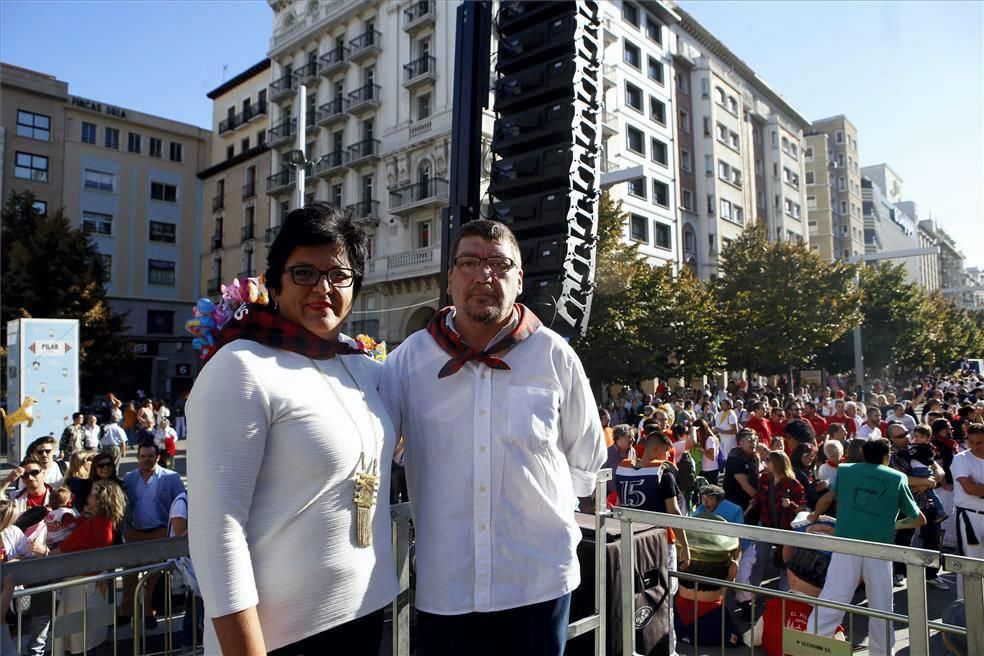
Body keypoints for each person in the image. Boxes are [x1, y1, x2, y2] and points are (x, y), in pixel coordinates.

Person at [379, 219, 606, 656]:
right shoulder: (408, 361)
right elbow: (372, 448)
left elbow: (586, 462)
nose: (484, 275)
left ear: (519, 280)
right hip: (446, 587)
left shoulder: (554, 355)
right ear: (449, 280)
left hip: (537, 584)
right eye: (469, 262)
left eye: (500, 265)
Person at [187, 203, 399, 656]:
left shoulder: (365, 370)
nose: (323, 288)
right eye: (304, 272)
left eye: (339, 275)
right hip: (281, 639)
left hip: (364, 617)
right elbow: (215, 530)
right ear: (275, 282)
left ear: (355, 288)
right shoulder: (241, 366)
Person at [806, 438, 926, 656]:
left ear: (863, 453)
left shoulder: (846, 470)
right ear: (886, 456)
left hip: (847, 545)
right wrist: (892, 525)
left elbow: (827, 498)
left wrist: (812, 516)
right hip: (879, 549)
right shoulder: (897, 477)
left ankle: (811, 648)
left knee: (832, 598)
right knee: (881, 607)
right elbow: (918, 519)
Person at [45, 479, 125, 655]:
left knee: (81, 639)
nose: (88, 498)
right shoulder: (104, 521)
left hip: (81, 587)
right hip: (92, 586)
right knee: (91, 635)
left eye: (93, 495)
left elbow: (59, 552)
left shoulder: (95, 524)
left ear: (101, 499)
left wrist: (40, 549)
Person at [120, 442, 186, 628]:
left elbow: (181, 501)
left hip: (159, 532)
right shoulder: (130, 478)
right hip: (135, 532)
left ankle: (149, 612)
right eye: (142, 456)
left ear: (157, 457)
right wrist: (126, 529)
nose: (146, 459)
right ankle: (128, 611)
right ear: (138, 457)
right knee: (130, 575)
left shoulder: (170, 477)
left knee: (153, 576)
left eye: (150, 456)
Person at [748, 451, 806, 592]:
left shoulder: (793, 484)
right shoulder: (765, 479)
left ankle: (784, 597)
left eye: (768, 460)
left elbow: (802, 509)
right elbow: (758, 494)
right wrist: (753, 501)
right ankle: (750, 594)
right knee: (758, 560)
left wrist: (790, 505)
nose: (765, 462)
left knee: (785, 564)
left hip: (786, 529)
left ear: (778, 463)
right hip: (766, 524)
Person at [950, 423, 984, 598]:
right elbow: (969, 488)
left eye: (980, 442)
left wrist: (979, 488)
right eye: (972, 442)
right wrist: (974, 487)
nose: (975, 446)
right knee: (970, 564)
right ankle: (966, 607)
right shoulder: (961, 459)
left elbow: (976, 488)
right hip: (970, 516)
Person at [169, 491, 204, 652]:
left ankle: (192, 645)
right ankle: (189, 646)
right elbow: (180, 535)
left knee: (195, 609)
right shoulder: (182, 503)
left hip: (198, 565)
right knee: (194, 609)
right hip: (191, 567)